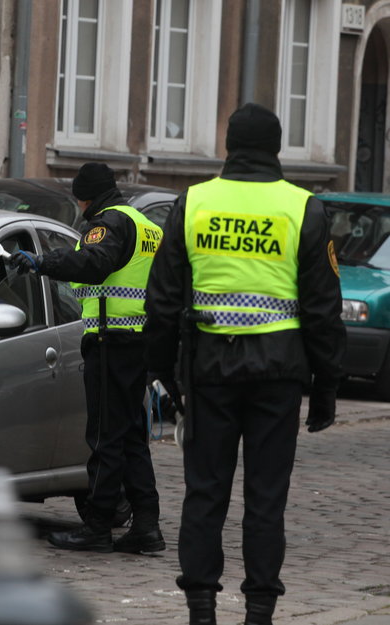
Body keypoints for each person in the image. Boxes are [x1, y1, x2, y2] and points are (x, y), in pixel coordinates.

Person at [144, 103, 346, 625]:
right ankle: (259, 613)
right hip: (279, 373)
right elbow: (323, 310)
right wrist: (326, 388)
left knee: (205, 493)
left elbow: (161, 301)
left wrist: (165, 372)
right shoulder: (304, 208)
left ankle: (202, 610)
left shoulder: (194, 203)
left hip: (209, 371)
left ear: (229, 145)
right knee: (265, 499)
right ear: (276, 147)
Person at [9, 162, 165, 554]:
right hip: (136, 340)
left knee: (104, 437)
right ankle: (146, 527)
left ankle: (97, 525)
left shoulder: (107, 223)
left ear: (87, 195)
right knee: (130, 437)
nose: (78, 204)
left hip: (110, 342)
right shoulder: (147, 227)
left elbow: (95, 263)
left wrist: (42, 262)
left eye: (79, 196)